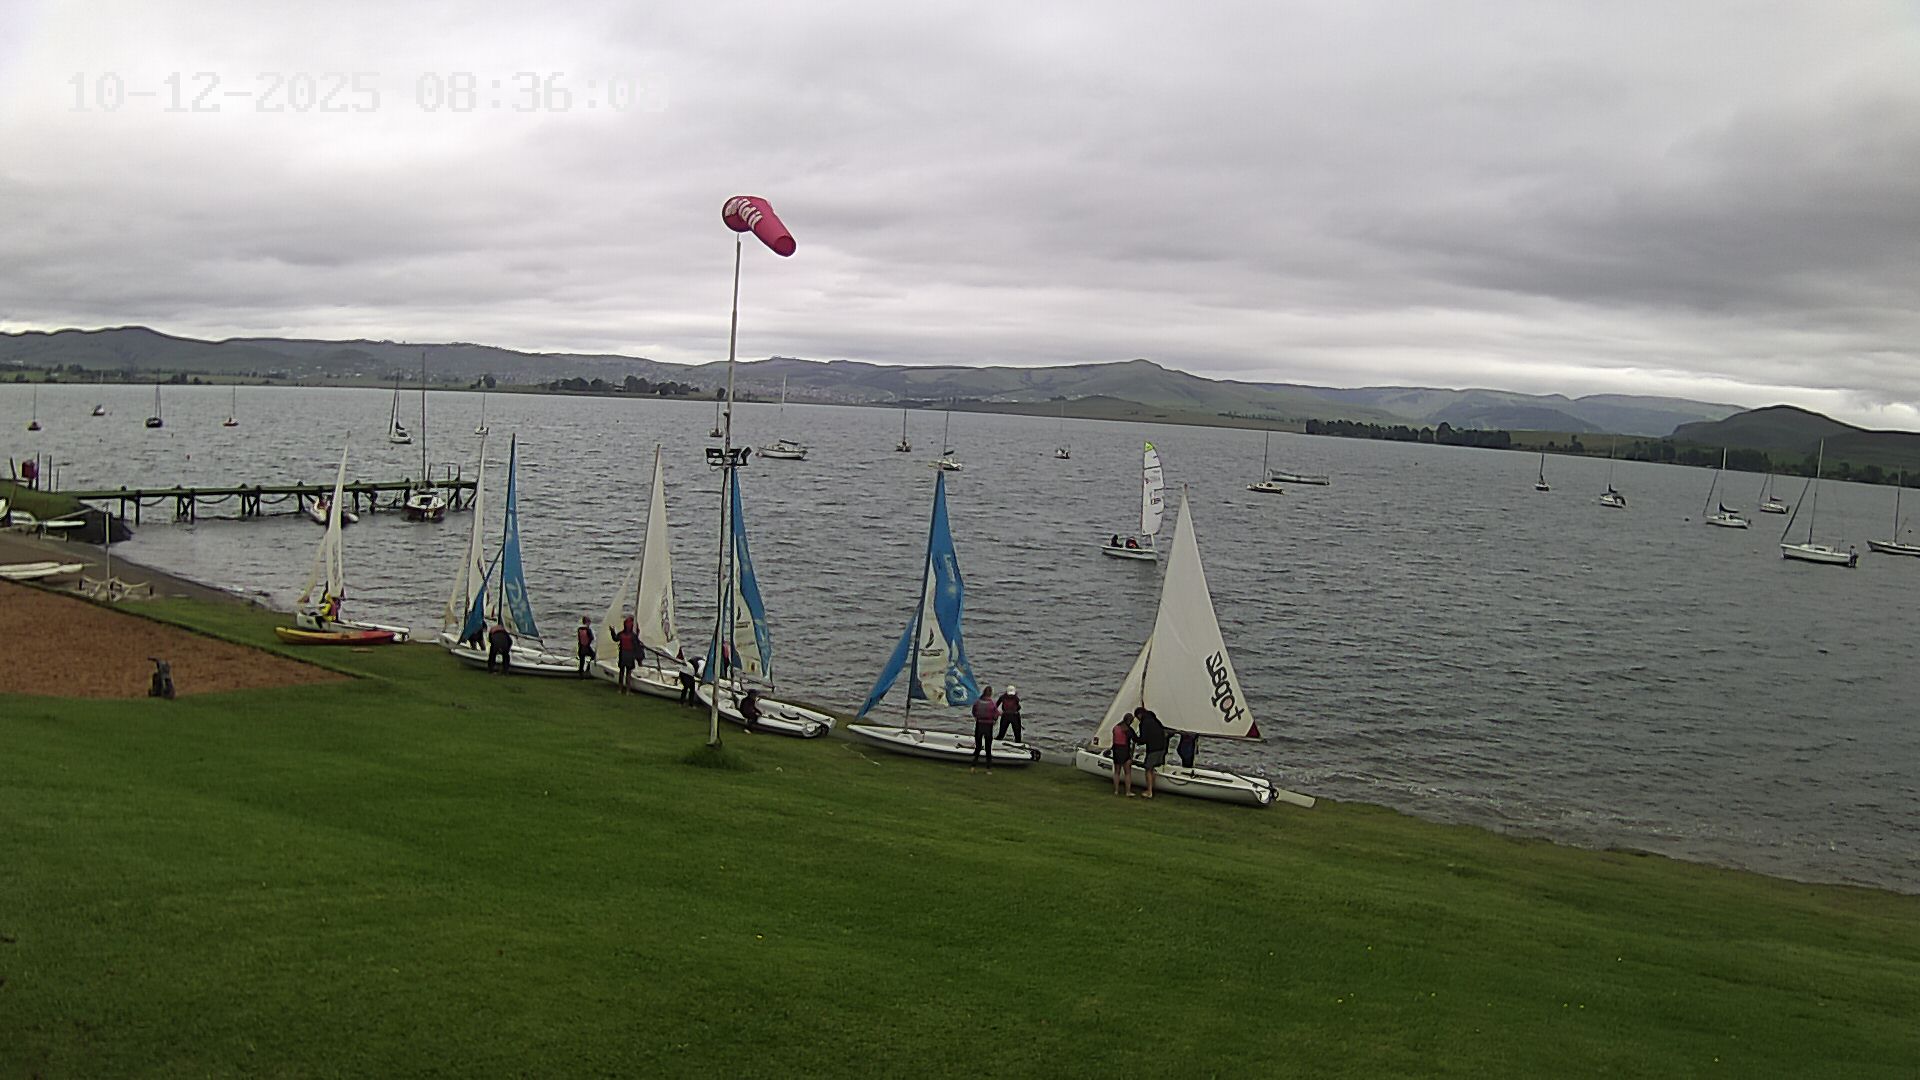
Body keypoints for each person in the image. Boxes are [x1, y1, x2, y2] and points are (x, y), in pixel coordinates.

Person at [1135, 706, 1169, 798]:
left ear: (1139, 715)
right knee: (1152, 768)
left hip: (1153, 749)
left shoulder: (1144, 723)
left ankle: (1149, 791)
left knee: (1148, 769)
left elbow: (1143, 739)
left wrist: (1135, 738)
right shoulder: (1155, 720)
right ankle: (1152, 789)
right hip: (1162, 747)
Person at [970, 685, 999, 772]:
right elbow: (996, 715)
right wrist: (994, 719)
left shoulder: (977, 702)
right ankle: (988, 768)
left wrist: (977, 717)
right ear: (991, 693)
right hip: (988, 726)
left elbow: (974, 712)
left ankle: (973, 766)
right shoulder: (992, 703)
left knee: (978, 747)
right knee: (988, 748)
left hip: (979, 725)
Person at [1110, 711, 1136, 796]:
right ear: (1130, 721)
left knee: (1117, 772)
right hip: (1125, 751)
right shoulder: (1128, 730)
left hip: (1116, 751)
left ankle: (1116, 791)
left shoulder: (1116, 727)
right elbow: (1135, 739)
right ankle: (1128, 791)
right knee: (1127, 773)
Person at [614, 616, 641, 694]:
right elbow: (616, 639)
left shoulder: (630, 635)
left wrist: (638, 658)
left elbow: (636, 646)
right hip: (625, 655)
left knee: (626, 672)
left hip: (627, 655)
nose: (629, 625)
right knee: (624, 672)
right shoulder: (629, 635)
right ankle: (623, 690)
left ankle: (625, 690)